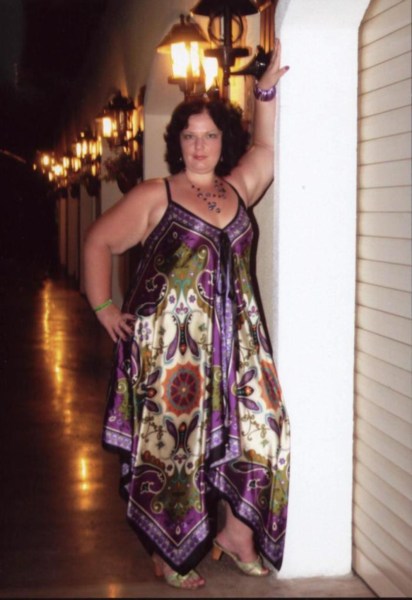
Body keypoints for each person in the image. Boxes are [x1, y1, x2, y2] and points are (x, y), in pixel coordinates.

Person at [84, 38, 290, 590]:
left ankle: (236, 534)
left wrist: (264, 90)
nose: (200, 146)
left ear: (224, 141)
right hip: (173, 352)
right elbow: (99, 240)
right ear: (177, 143)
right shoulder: (157, 194)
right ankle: (167, 547)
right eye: (190, 136)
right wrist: (104, 308)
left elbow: (266, 148)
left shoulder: (238, 187)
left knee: (266, 430)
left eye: (210, 135)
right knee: (174, 452)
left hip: (239, 345)